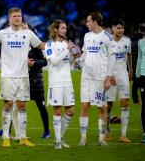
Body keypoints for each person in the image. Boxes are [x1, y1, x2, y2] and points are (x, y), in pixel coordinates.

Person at [0, 7, 45, 147]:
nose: (17, 18)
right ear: (9, 18)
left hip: (23, 76)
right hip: (8, 76)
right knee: (8, 104)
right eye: (14, 16)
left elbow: (41, 45)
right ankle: (6, 137)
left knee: (22, 106)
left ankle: (23, 138)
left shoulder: (28, 33)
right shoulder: (3, 33)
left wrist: (58, 46)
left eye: (19, 16)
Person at [78, 12, 116, 146]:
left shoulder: (107, 37)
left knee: (101, 107)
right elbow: (85, 53)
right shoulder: (87, 36)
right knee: (84, 105)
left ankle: (101, 138)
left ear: (95, 21)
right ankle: (83, 138)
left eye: (88, 21)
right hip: (86, 77)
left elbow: (112, 58)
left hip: (100, 78)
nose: (86, 23)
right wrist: (78, 60)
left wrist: (108, 78)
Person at [43, 19, 77, 149]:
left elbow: (67, 63)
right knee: (57, 110)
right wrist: (67, 50)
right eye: (62, 28)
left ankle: (60, 137)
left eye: (65, 28)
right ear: (56, 30)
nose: (65, 30)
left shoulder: (66, 44)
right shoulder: (49, 45)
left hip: (67, 82)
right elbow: (55, 61)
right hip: (56, 82)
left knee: (71, 111)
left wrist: (75, 57)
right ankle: (57, 141)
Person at [105, 18, 132, 143]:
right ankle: (107, 130)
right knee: (109, 104)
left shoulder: (127, 41)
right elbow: (104, 60)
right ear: (112, 28)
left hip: (123, 76)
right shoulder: (107, 42)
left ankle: (123, 135)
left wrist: (130, 69)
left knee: (125, 103)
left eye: (122, 28)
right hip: (111, 77)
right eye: (118, 28)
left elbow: (129, 55)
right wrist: (109, 76)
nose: (120, 30)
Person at [27, 23, 50, 139]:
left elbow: (45, 61)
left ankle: (47, 131)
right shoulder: (20, 44)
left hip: (35, 79)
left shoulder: (36, 45)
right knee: (15, 104)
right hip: (22, 78)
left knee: (41, 106)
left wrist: (33, 63)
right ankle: (7, 130)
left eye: (25, 28)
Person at [130, 23, 145, 104]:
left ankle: (136, 100)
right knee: (141, 83)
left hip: (134, 65)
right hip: (141, 65)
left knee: (136, 83)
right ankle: (140, 99)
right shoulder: (144, 42)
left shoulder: (132, 41)